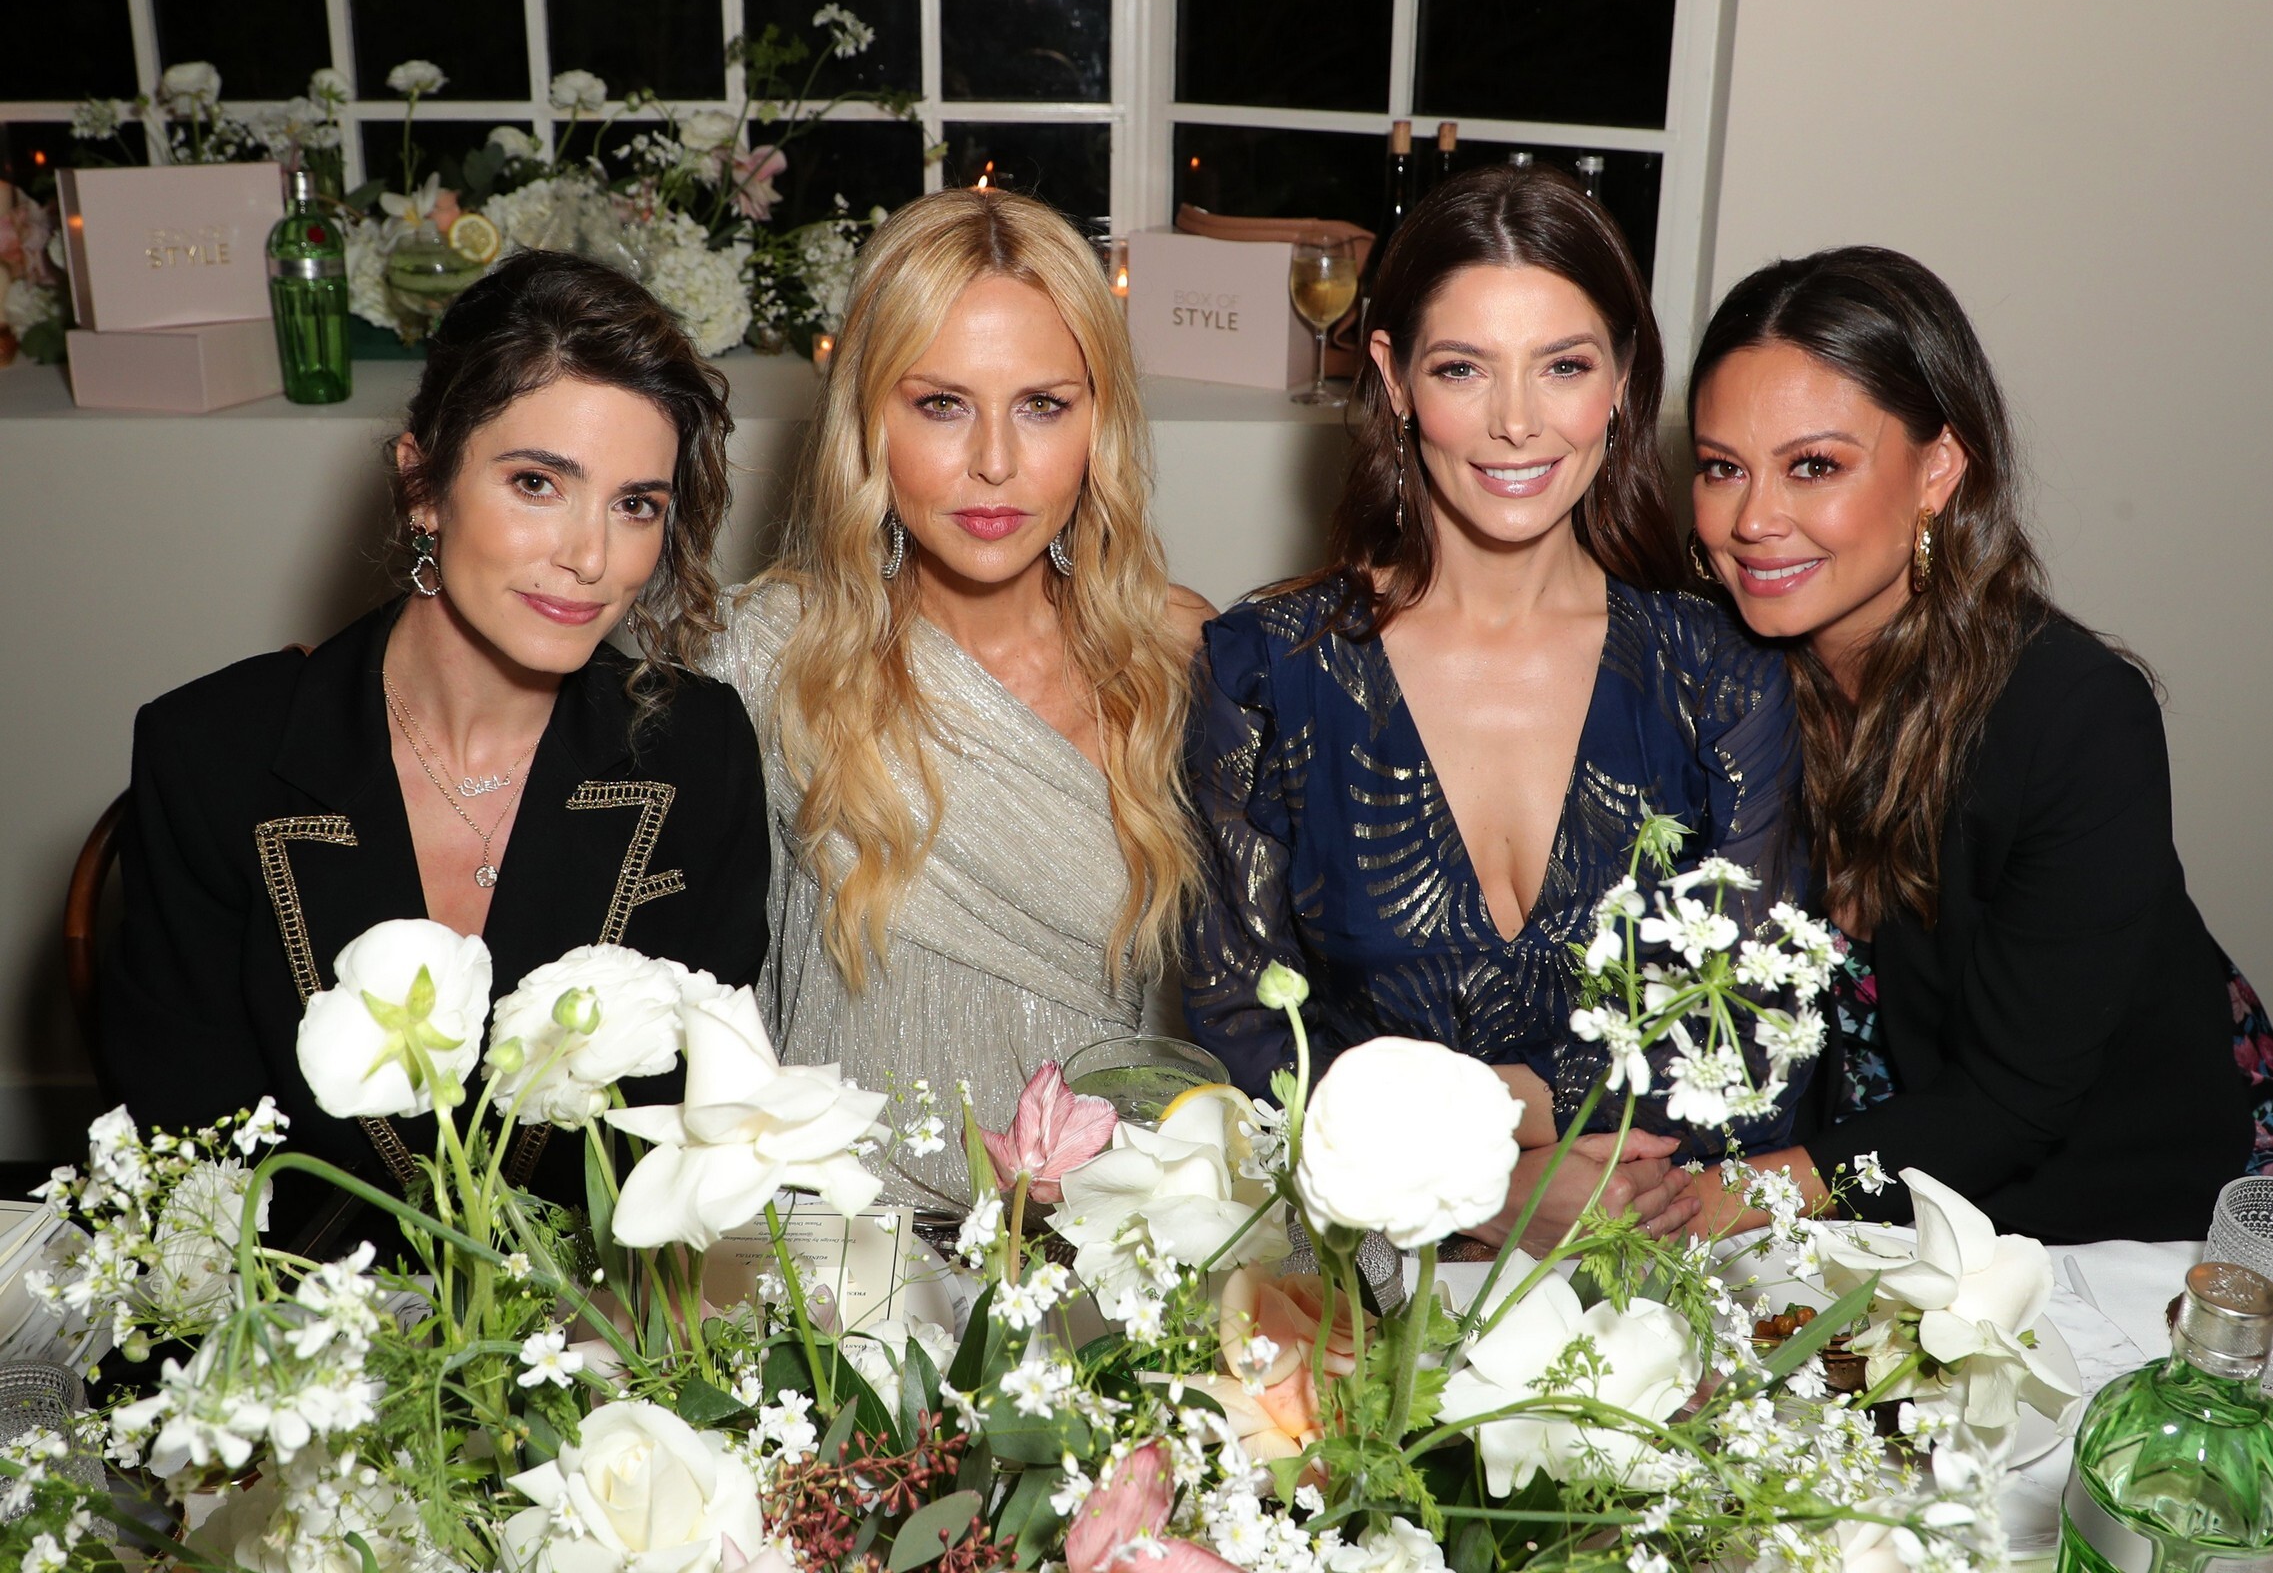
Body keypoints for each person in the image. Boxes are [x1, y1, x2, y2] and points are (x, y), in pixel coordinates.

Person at [1183, 165, 1806, 1252]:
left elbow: (1759, 1049)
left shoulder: (1719, 675)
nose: (1516, 423)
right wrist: (1492, 1187)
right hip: (1358, 1278)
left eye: (1562, 366)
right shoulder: (1264, 675)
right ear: (1392, 377)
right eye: (1461, 369)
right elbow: (1239, 1051)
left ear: (1620, 379)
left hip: (1649, 1265)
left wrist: (1489, 1114)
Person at [98, 251, 770, 1242]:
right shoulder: (212, 755)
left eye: (636, 505)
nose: (590, 557)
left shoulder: (695, 751)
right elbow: (190, 1169)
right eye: (537, 482)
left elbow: (693, 1147)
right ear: (423, 483)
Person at [1684, 245, 2255, 1243]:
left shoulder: (2070, 715)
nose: (1753, 520)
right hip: (1852, 1191)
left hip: (2104, 1214)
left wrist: (1716, 1199)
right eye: (1720, 467)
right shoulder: (1715, 677)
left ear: (1937, 469)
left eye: (1813, 466)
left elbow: (2010, 1103)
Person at [702, 189, 1211, 1209]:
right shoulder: (764, 657)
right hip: (845, 1254)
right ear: (867, 419)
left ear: (1099, 421)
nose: (994, 463)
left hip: (1112, 1248)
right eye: (940, 404)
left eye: (1042, 406)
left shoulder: (1175, 653)